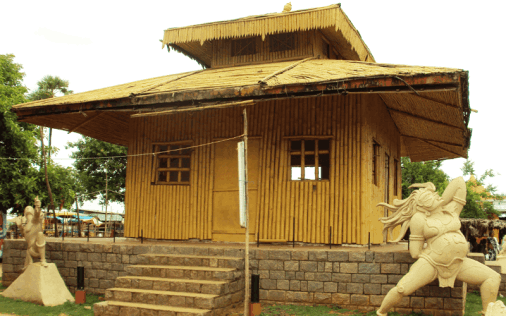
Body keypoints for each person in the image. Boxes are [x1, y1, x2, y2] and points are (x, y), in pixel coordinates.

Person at [376, 177, 500, 315]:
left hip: (458, 263)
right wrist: (437, 253)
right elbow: (415, 253)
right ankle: (381, 312)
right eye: (430, 196)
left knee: (493, 277)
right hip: (432, 262)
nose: (435, 196)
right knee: (402, 289)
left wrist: (442, 201)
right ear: (422, 205)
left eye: (434, 194)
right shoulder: (419, 219)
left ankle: (489, 313)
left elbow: (459, 182)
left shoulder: (451, 211)